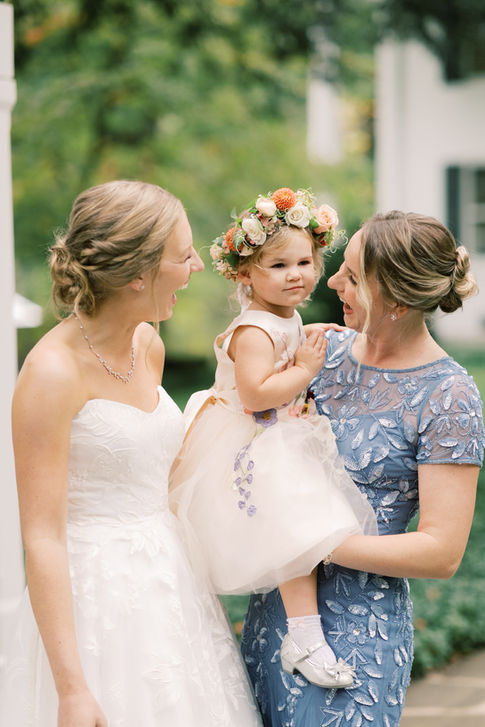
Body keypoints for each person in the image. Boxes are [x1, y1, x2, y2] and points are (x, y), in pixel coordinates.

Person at [0, 180, 262, 727]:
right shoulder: (50, 373)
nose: (196, 266)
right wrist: (72, 689)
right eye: (183, 255)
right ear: (139, 272)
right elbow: (42, 537)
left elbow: (157, 471)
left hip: (174, 588)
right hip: (94, 605)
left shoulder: (148, 343)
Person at [241, 210, 485, 726]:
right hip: (275, 615)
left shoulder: (449, 396)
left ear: (396, 302)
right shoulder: (317, 353)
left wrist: (312, 540)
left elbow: (441, 552)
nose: (331, 282)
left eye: (351, 277)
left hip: (358, 639)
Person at [170, 187, 377, 691]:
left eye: (304, 262)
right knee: (294, 528)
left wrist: (310, 338)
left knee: (303, 526)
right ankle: (304, 637)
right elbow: (256, 396)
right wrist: (305, 369)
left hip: (281, 434)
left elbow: (288, 343)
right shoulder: (254, 332)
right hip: (251, 441)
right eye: (279, 265)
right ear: (246, 274)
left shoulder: (283, 317)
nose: (296, 274)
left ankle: (305, 632)